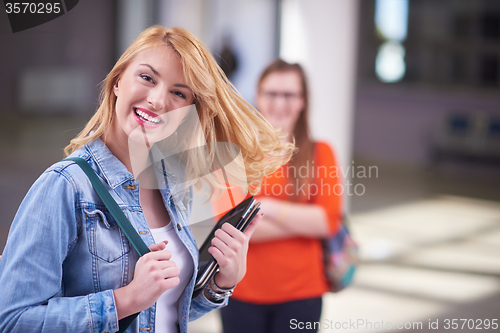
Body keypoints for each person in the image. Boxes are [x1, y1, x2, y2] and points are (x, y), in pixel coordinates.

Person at [0, 26, 291, 333]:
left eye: (178, 93)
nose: (157, 100)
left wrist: (221, 282)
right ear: (117, 82)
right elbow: (12, 320)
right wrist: (126, 299)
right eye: (147, 78)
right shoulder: (65, 186)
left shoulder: (173, 186)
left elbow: (162, 312)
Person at [220, 60, 343, 333]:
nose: (279, 103)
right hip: (239, 290)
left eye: (289, 95)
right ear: (258, 97)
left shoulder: (321, 153)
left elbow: (327, 221)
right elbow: (226, 227)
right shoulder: (234, 153)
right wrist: (302, 222)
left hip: (302, 293)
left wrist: (266, 207)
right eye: (271, 93)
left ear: (302, 101)